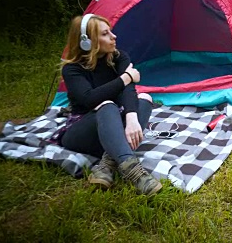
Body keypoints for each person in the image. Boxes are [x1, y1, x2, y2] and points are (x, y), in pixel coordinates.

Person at [53, 13, 162, 195]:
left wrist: (132, 117)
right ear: (87, 41)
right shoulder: (72, 69)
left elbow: (128, 91)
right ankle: (134, 172)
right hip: (82, 132)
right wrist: (126, 77)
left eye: (110, 31)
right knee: (107, 105)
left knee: (145, 99)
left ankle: (107, 163)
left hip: (113, 129)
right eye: (105, 34)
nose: (114, 36)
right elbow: (89, 98)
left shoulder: (119, 57)